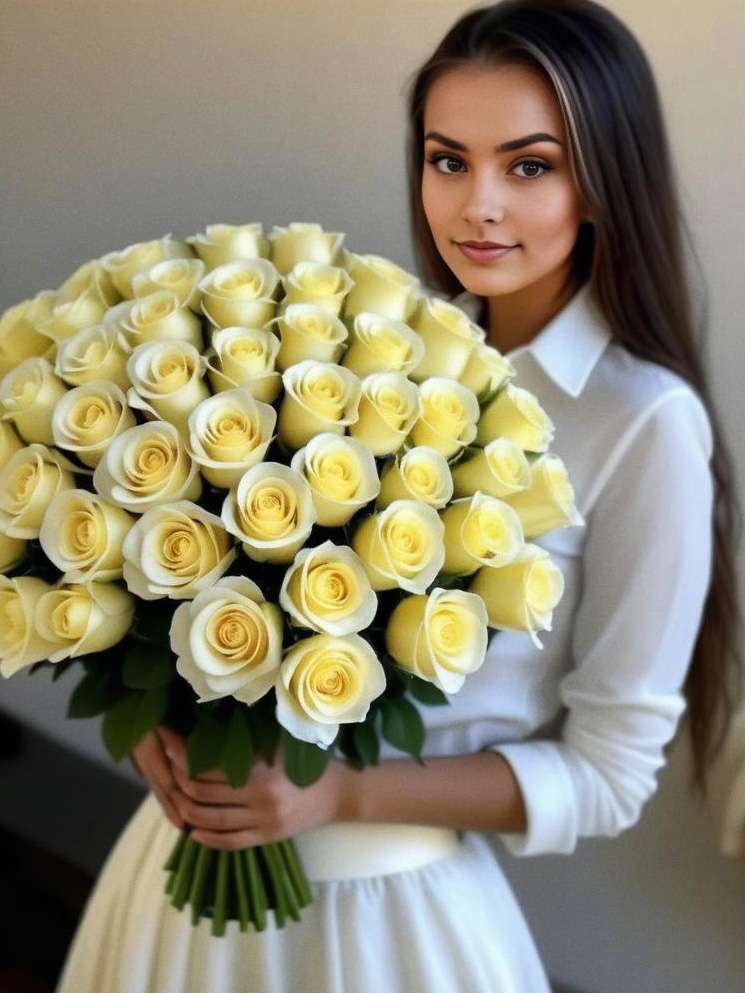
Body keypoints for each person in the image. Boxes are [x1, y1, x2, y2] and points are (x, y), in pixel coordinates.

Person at [55, 1, 742, 990]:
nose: (478, 207)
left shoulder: (644, 422)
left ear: (602, 183)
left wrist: (336, 794)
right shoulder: (348, 355)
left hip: (388, 916)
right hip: (172, 882)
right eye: (447, 159)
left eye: (529, 165)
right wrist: (169, 734)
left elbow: (607, 775)